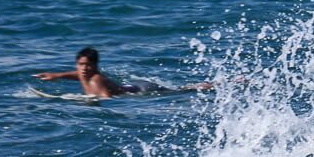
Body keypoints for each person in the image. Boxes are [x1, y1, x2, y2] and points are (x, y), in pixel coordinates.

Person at [33, 47, 211, 98]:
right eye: (80, 64)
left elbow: (105, 98)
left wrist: (85, 101)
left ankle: (217, 84)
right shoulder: (83, 74)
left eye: (87, 65)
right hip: (134, 85)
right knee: (180, 88)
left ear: (95, 66)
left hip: (142, 90)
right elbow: (76, 75)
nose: (83, 68)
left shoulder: (96, 81)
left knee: (181, 90)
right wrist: (56, 76)